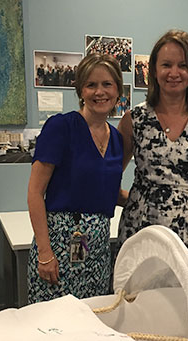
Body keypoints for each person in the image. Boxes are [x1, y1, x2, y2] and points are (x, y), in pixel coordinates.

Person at [27, 53, 124, 303]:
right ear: (81, 89)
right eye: (91, 84)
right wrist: (45, 254)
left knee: (94, 320)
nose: (99, 92)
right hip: (59, 245)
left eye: (107, 84)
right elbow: (35, 193)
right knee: (55, 326)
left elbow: (108, 192)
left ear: (117, 91)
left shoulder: (116, 139)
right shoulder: (61, 127)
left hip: (98, 249)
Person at [117, 29, 188, 249]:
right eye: (166, 65)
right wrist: (137, 199)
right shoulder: (134, 119)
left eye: (183, 65)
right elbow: (110, 173)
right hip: (143, 230)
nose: (174, 72)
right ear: (154, 70)